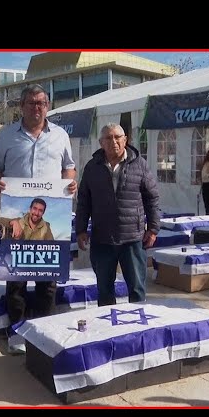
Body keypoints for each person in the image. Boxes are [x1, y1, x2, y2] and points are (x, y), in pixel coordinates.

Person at [0, 83, 77, 355]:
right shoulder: (6, 135)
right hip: (15, 217)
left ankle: (43, 333)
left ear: (47, 106)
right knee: (16, 280)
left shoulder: (60, 135)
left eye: (41, 103)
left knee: (47, 281)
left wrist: (69, 184)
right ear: (22, 106)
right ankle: (16, 333)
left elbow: (69, 168)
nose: (36, 107)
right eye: (31, 103)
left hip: (51, 219)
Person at [75, 123, 160, 307]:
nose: (113, 141)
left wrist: (153, 228)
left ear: (125, 140)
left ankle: (138, 329)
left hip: (132, 239)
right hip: (102, 238)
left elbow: (152, 198)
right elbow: (83, 201)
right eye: (108, 138)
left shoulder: (140, 164)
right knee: (104, 291)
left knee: (137, 290)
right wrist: (80, 229)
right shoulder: (92, 167)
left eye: (117, 137)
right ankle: (108, 329)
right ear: (101, 143)